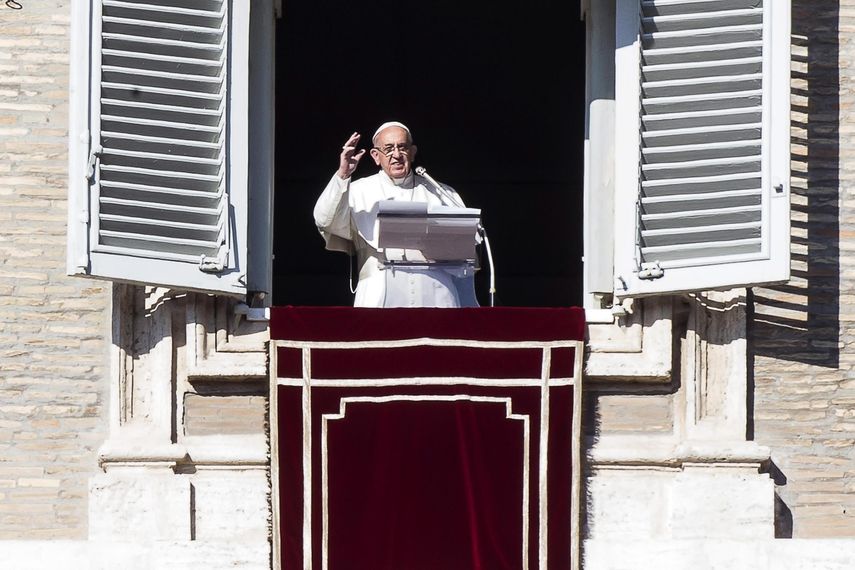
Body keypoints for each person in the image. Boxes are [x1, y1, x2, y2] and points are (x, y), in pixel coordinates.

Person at [313, 121, 477, 308]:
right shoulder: (358, 191)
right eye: (389, 149)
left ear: (413, 152)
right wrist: (343, 175)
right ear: (375, 155)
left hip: (436, 295)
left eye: (403, 147)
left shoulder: (441, 192)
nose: (397, 155)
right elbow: (325, 220)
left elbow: (468, 249)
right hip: (379, 294)